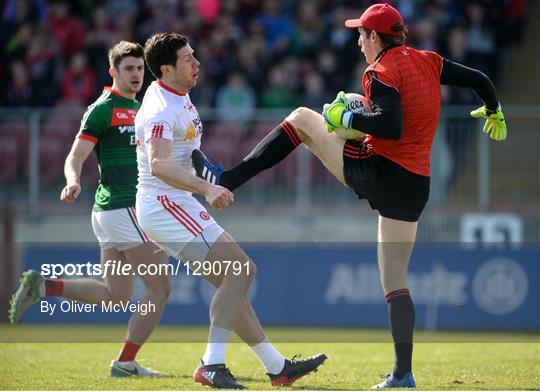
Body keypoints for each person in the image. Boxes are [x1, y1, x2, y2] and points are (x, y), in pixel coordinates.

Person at [192, 3, 507, 389]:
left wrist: (348, 120)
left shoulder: (382, 69)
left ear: (376, 37)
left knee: (303, 119)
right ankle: (402, 374)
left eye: (362, 34)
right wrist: (492, 109)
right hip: (414, 184)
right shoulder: (430, 60)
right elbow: (480, 79)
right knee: (395, 281)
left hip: (379, 171)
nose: (358, 41)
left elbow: (390, 126)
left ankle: (227, 178)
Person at [135, 32, 326, 390]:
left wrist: (206, 170)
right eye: (188, 58)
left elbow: (183, 153)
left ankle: (276, 367)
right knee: (240, 271)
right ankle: (212, 364)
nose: (197, 63)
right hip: (164, 204)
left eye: (195, 55)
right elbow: (159, 164)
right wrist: (208, 187)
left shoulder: (179, 96)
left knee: (233, 283)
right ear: (165, 68)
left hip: (176, 202)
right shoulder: (161, 107)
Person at [9, 41, 172, 378]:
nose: (136, 74)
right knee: (161, 288)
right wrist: (72, 181)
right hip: (123, 207)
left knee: (115, 296)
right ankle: (125, 363)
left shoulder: (141, 108)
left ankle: (45, 287)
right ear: (113, 72)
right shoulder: (102, 109)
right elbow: (76, 155)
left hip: (115, 212)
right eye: (129, 68)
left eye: (140, 68)